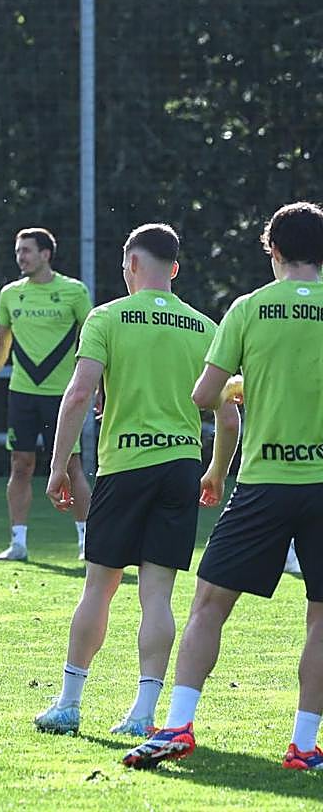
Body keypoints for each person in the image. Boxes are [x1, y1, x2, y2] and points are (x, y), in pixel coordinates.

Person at [124, 202, 323, 771]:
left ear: (275, 252)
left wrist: (240, 385)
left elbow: (203, 395)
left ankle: (178, 727)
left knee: (209, 604)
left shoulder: (250, 308)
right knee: (320, 617)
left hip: (264, 482)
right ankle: (304, 745)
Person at [32, 224, 239, 736]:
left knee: (98, 589)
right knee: (158, 596)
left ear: (130, 265)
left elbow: (80, 393)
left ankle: (69, 703)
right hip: (179, 470)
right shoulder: (204, 327)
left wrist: (59, 467)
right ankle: (144, 712)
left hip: (124, 468)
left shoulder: (108, 316)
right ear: (173, 268)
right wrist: (214, 472)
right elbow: (229, 416)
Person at [0, 228, 93, 561]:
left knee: (71, 465)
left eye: (27, 250)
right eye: (18, 250)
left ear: (45, 254)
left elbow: (93, 343)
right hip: (22, 395)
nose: (20, 256)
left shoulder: (73, 292)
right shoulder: (11, 294)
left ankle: (87, 543)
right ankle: (18, 544)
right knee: (20, 465)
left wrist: (99, 387)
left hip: (64, 397)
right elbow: (1, 343)